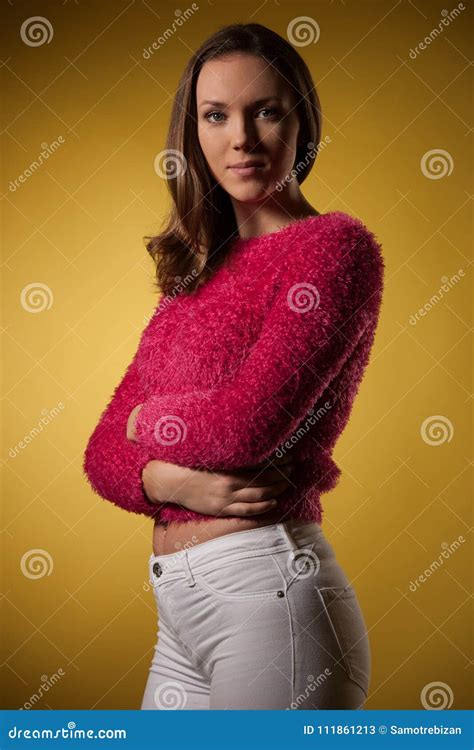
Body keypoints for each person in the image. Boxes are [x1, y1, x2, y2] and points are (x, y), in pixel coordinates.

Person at [83, 22, 385, 710]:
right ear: (194, 133)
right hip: (180, 611)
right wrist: (164, 477)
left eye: (266, 111)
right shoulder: (196, 272)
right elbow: (100, 454)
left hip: (270, 597)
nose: (241, 138)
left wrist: (142, 421)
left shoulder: (331, 249)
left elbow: (246, 427)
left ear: (302, 123)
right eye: (216, 115)